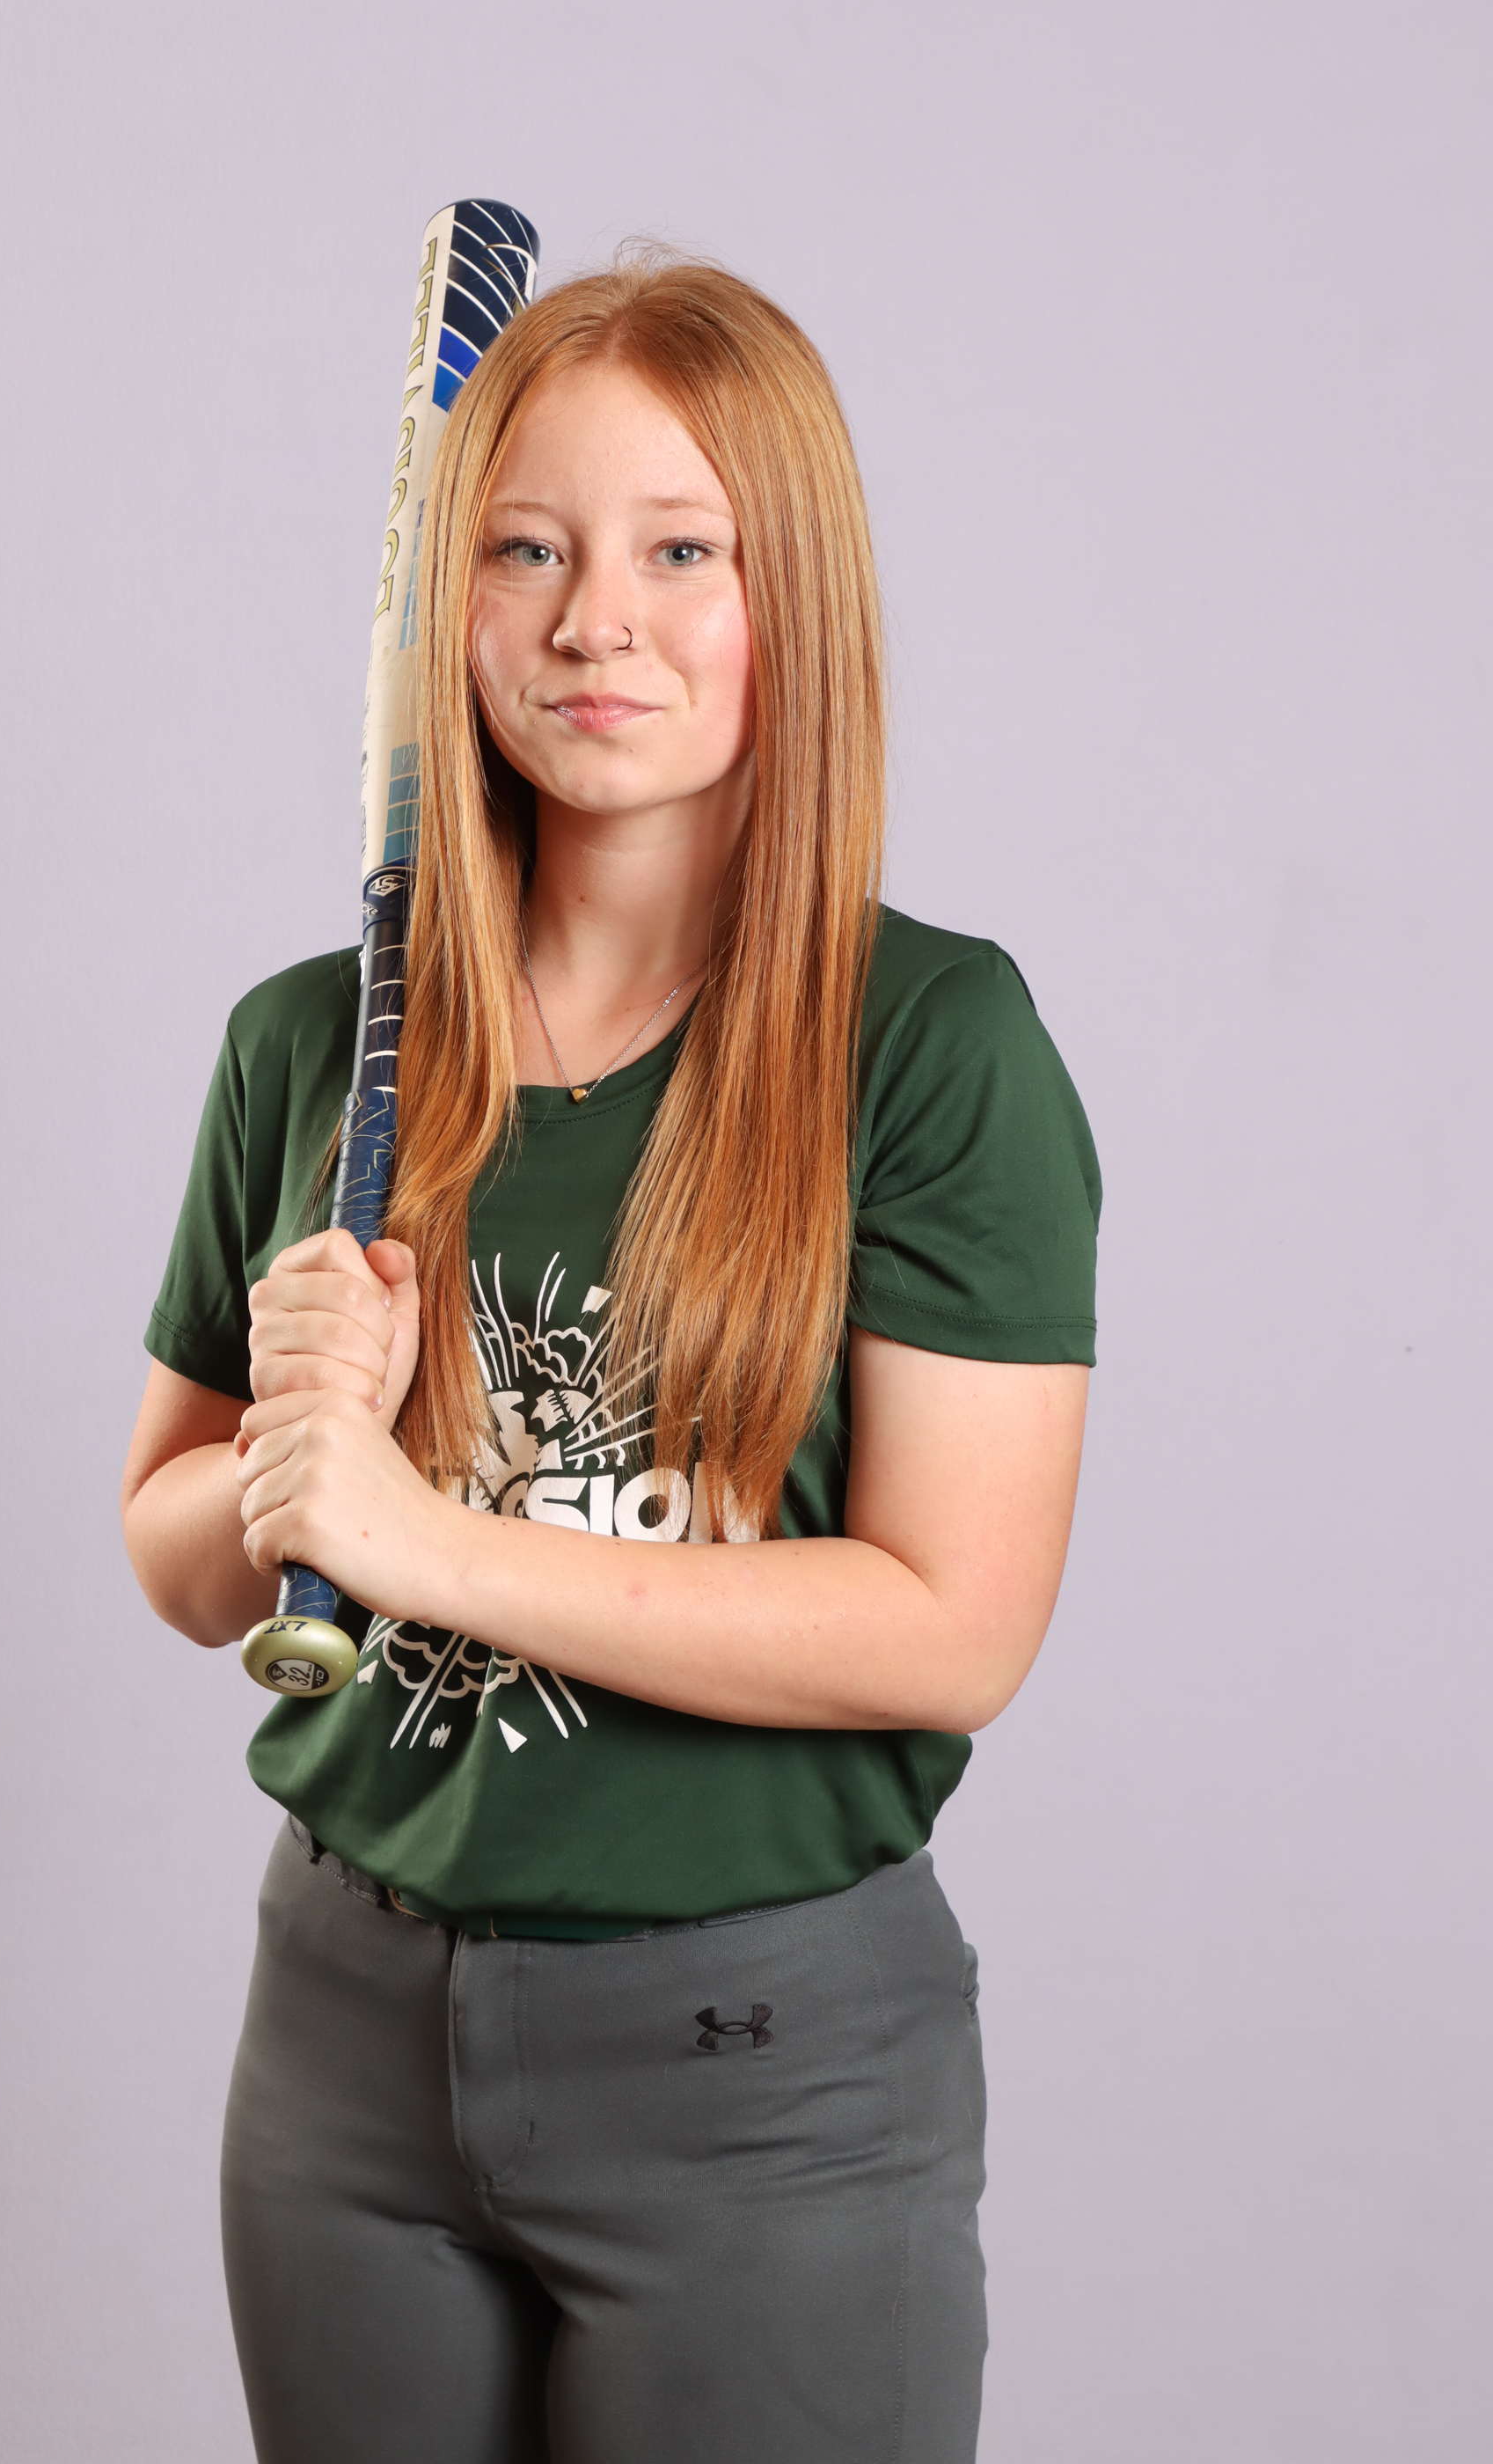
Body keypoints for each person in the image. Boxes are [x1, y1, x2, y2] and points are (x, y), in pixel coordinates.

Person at [121, 256, 1100, 2464]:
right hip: (342, 2049)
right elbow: (179, 1552)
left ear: (794, 599)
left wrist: (415, 1535)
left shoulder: (931, 1046)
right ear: (449, 606)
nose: (593, 623)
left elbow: (951, 1625)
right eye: (526, 549)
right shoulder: (312, 1044)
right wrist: (295, 1451)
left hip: (757, 2058)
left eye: (680, 551)